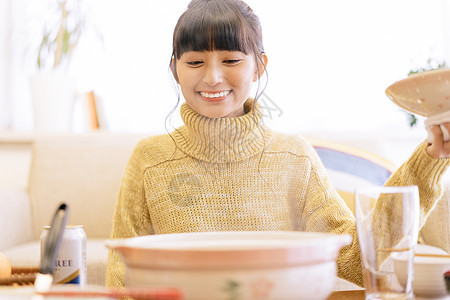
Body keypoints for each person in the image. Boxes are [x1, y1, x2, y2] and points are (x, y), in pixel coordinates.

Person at [106, 0, 450, 288]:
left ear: (259, 66)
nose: (212, 77)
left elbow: (356, 259)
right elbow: (122, 276)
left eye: (231, 60)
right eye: (195, 62)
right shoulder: (149, 159)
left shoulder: (293, 157)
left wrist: (431, 157)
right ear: (174, 69)